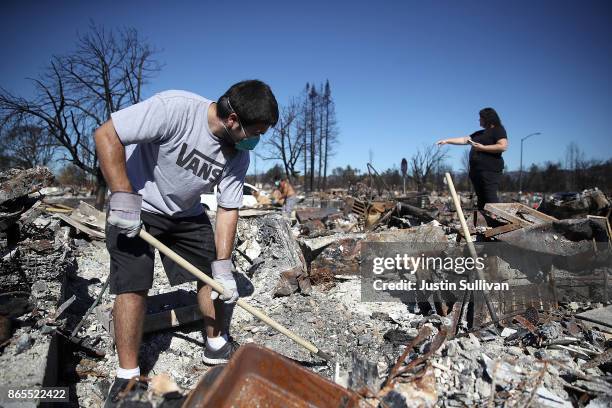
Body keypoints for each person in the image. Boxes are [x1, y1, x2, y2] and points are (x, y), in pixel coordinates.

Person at [94, 80, 278, 406]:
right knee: (134, 284)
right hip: (136, 204)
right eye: (255, 132)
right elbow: (106, 134)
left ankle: (216, 343)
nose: (256, 140)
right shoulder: (175, 109)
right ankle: (127, 378)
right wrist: (122, 195)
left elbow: (228, 208)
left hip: (186, 214)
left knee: (211, 274)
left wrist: (223, 267)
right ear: (233, 120)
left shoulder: (237, 155)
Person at [437, 107, 508, 209]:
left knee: (490, 197)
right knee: (481, 199)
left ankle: (499, 219)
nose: (479, 120)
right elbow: (464, 139)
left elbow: (503, 146)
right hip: (476, 171)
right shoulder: (480, 133)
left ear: (487, 118)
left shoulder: (498, 130)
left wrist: (482, 148)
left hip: (490, 171)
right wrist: (446, 141)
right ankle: (485, 222)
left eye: (481, 118)